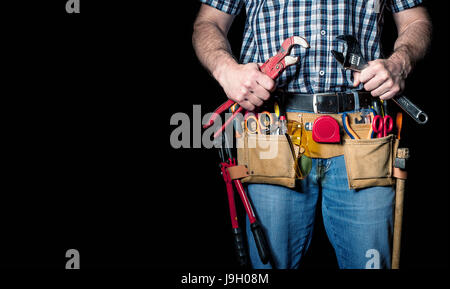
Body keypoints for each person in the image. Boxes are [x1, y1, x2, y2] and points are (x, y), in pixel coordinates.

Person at [192, 0, 431, 269]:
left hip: (363, 134)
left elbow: (416, 20)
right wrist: (226, 70)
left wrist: (400, 61)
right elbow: (208, 22)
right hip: (272, 132)